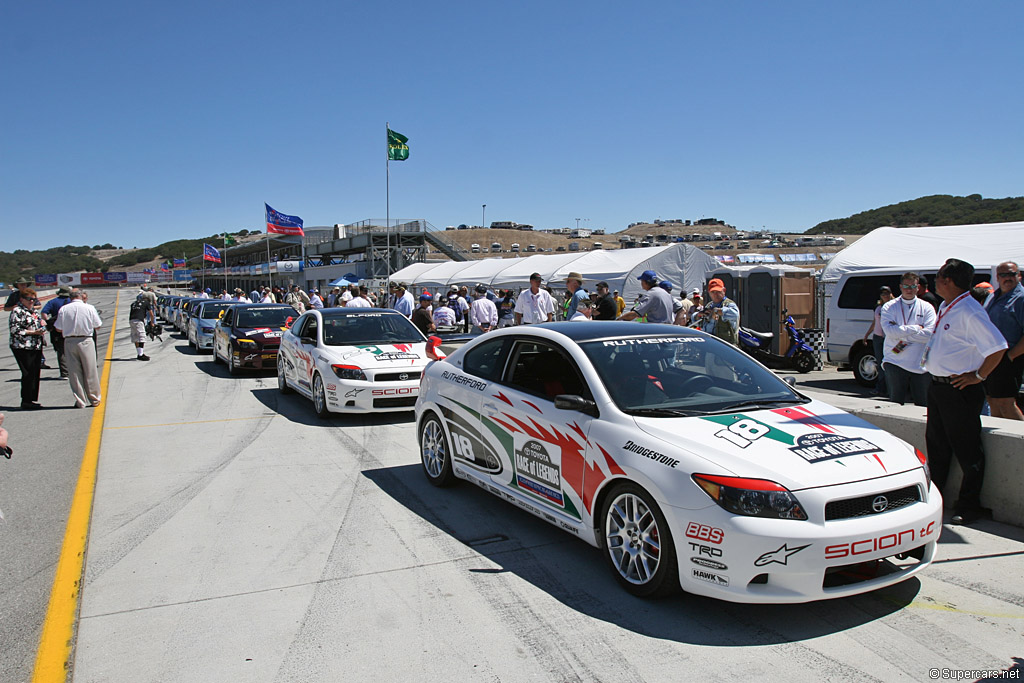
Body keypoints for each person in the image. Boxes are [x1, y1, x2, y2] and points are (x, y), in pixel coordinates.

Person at [922, 258, 1007, 526]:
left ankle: (969, 505)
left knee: (967, 449)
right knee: (936, 447)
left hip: (959, 390)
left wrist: (978, 376)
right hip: (938, 387)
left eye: (938, 277)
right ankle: (935, 500)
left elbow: (998, 347)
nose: (935, 281)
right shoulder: (948, 305)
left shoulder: (969, 310)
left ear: (947, 281)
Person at [880, 272, 936, 406]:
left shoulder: (927, 307)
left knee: (923, 405)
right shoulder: (889, 306)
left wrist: (902, 332)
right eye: (906, 286)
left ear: (918, 287)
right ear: (900, 287)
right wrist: (917, 327)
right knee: (895, 404)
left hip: (921, 364)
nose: (909, 289)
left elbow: (929, 333)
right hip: (894, 361)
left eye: (913, 286)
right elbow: (890, 332)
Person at [983, 261, 1024, 420]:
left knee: (1006, 403)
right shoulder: (993, 296)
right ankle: (1001, 442)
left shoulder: (1021, 298)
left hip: (1008, 357)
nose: (1007, 278)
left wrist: (1010, 356)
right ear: (997, 277)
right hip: (991, 355)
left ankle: (1019, 439)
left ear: (1019, 276)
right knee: (992, 401)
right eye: (1003, 275)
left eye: (1011, 274)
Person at [56, 289, 104, 408]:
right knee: (90, 370)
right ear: (81, 296)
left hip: (69, 340)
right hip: (85, 339)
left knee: (74, 372)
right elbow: (97, 325)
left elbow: (58, 328)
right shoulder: (89, 308)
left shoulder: (64, 309)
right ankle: (94, 398)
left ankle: (80, 400)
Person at [8, 287, 47, 409]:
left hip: (35, 346)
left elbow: (40, 324)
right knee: (28, 373)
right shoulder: (17, 311)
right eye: (29, 299)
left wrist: (42, 328)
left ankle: (31, 398)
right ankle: (25, 400)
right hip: (22, 346)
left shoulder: (33, 312)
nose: (32, 302)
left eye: (34, 300)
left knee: (35, 373)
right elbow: (15, 330)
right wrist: (32, 333)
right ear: (22, 299)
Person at [863, 286, 893, 396]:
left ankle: (890, 388)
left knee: (888, 364)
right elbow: (875, 322)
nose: (885, 296)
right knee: (880, 363)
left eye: (887, 293)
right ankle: (880, 388)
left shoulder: (893, 306)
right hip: (877, 337)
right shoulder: (879, 307)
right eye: (883, 294)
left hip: (888, 338)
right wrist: (867, 334)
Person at [41, 286, 72, 378]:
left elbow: (43, 313)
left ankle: (64, 373)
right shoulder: (72, 301)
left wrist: (49, 322)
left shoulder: (53, 302)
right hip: (71, 328)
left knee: (61, 351)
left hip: (57, 329)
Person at [699, 278, 740, 344]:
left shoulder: (729, 304)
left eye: (718, 291)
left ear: (724, 290)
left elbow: (735, 315)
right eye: (713, 292)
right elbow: (697, 321)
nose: (715, 294)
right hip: (709, 345)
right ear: (709, 293)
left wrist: (717, 311)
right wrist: (698, 316)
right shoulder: (708, 306)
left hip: (726, 347)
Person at [128, 291, 155, 361]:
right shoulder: (147, 303)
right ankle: (141, 355)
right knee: (141, 336)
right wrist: (152, 323)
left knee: (135, 336)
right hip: (139, 320)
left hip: (131, 320)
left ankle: (139, 353)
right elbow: (151, 314)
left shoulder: (134, 303)